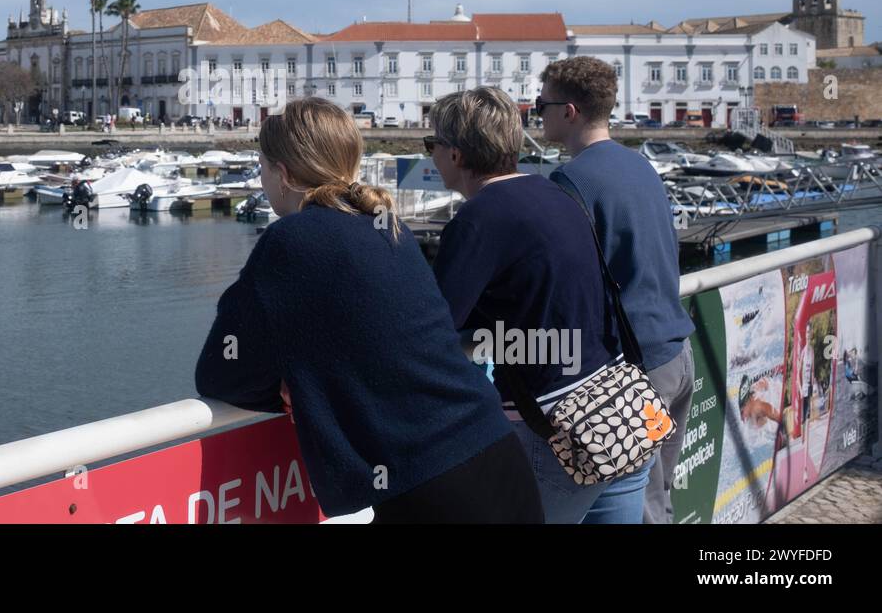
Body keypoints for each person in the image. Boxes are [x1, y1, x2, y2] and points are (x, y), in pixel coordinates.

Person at [195, 97, 542, 523]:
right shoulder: (385, 225)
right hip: (496, 454)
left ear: (283, 174)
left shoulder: (289, 240)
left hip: (431, 488)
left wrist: (296, 383)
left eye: (263, 166)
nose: (263, 178)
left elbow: (217, 372)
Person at [427, 86, 649, 524]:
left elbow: (433, 328)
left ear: (454, 155)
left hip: (556, 432)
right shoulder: (556, 196)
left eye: (430, 144)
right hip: (620, 411)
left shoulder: (478, 220)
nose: (430, 155)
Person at [538, 57, 695, 524]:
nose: (535, 113)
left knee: (641, 510)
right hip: (677, 353)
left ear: (569, 111)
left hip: (638, 368)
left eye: (540, 105)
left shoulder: (573, 182)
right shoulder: (640, 166)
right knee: (658, 502)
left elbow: (568, 284)